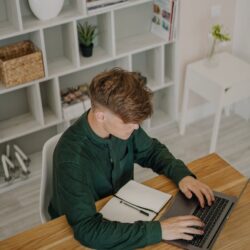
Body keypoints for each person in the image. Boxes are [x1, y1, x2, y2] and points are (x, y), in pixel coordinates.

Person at [49, 67, 215, 249]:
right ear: (100, 116)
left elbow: (152, 151)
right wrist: (159, 230)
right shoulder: (71, 158)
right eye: (129, 122)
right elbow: (88, 230)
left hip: (122, 207)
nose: (136, 128)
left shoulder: (122, 126)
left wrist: (182, 175)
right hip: (79, 229)